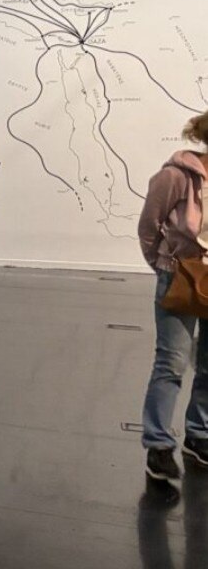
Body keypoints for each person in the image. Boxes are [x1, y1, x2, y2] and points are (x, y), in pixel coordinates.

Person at [136, 112, 208, 482]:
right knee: (172, 362)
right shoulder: (177, 175)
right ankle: (159, 445)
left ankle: (200, 435)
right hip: (179, 276)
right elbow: (149, 225)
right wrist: (163, 265)